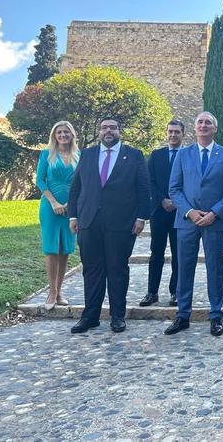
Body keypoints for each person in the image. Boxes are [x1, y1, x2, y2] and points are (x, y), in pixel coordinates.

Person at [68, 118, 150, 334]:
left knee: (117, 269)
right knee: (92, 270)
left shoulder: (134, 155)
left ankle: (117, 317)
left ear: (119, 131)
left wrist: (141, 217)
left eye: (113, 127)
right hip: (89, 221)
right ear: (99, 131)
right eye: (104, 127)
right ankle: (90, 317)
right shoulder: (87, 154)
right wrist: (73, 216)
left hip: (121, 223)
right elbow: (76, 187)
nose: (108, 131)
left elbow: (143, 188)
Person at [165, 112, 223, 337]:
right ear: (195, 128)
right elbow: (174, 189)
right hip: (187, 221)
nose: (204, 125)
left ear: (215, 128)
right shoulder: (183, 154)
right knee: (184, 268)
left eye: (208, 123)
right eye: (200, 122)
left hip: (214, 222)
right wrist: (190, 212)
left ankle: (215, 315)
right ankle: (182, 315)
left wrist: (215, 213)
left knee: (214, 269)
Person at [140, 119, 184, 307]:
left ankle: (176, 292)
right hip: (159, 211)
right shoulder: (156, 155)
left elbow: (191, 182)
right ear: (166, 133)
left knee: (178, 253)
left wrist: (177, 202)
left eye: (177, 132)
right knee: (156, 252)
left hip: (180, 211)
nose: (173, 135)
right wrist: (162, 200)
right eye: (170, 131)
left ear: (183, 134)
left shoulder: (188, 155)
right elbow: (149, 181)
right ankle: (152, 292)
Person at [36, 120, 80, 310]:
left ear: (72, 135)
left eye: (66, 132)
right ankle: (51, 292)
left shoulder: (79, 155)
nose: (63, 135)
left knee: (65, 250)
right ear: (55, 135)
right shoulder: (47, 154)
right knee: (52, 249)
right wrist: (54, 202)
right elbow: (40, 180)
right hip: (50, 207)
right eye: (59, 132)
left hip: (72, 208)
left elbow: (83, 182)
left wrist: (70, 205)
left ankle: (60, 291)